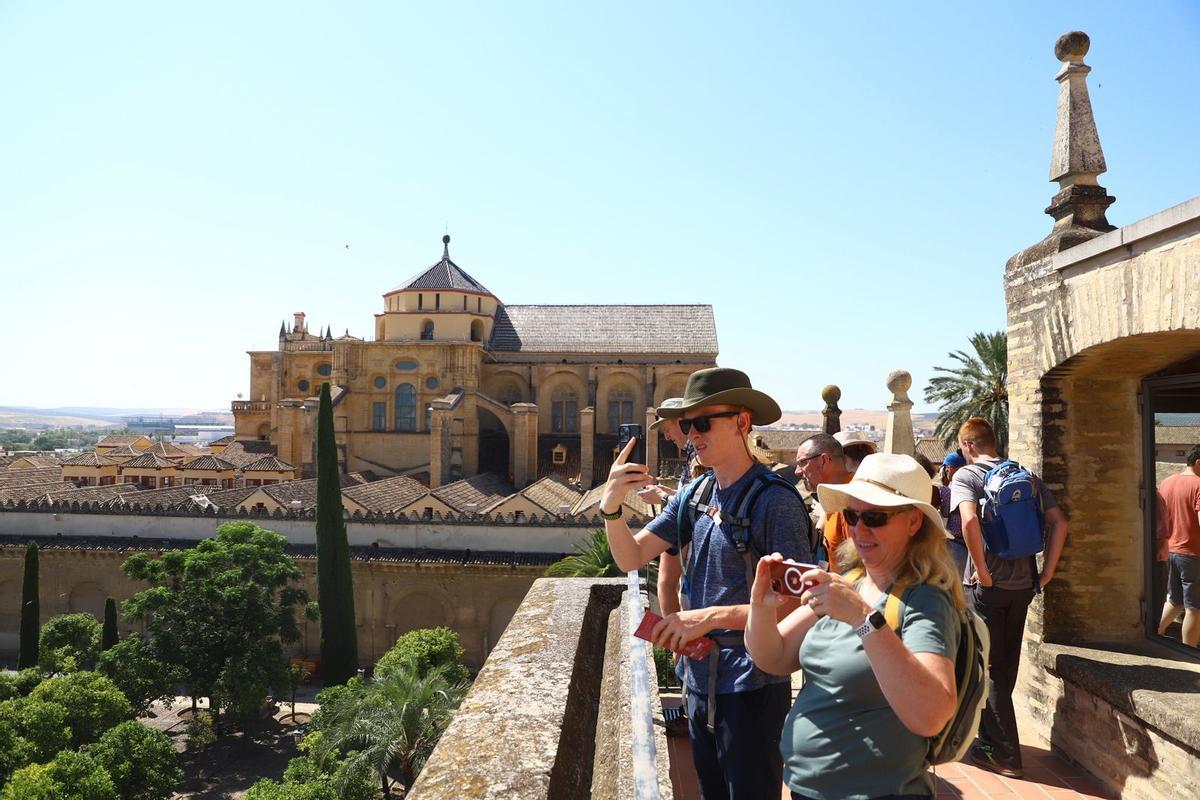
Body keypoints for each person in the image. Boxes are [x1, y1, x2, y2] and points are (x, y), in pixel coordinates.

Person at [601, 367, 811, 800]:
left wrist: (707, 618)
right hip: (698, 680)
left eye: (702, 422)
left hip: (751, 684)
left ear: (742, 421)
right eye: (686, 424)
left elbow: (796, 604)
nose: (690, 433)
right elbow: (631, 556)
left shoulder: (775, 501)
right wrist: (611, 510)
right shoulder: (694, 494)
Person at [746, 453, 964, 800]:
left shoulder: (925, 599)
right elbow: (773, 657)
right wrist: (760, 605)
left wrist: (863, 619)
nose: (859, 529)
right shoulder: (850, 582)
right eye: (852, 515)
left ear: (913, 522)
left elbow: (931, 715)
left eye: (875, 517)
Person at [952, 417, 1069, 779]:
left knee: (987, 669)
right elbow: (1060, 523)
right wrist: (1046, 573)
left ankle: (1005, 755)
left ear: (969, 445)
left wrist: (983, 573)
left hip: (986, 587)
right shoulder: (1028, 476)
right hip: (1023, 587)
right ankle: (991, 742)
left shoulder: (966, 476)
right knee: (1004, 668)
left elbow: (969, 522)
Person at [1156, 444, 1200, 647]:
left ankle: (1156, 634)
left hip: (1170, 550)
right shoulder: (1199, 485)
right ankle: (1190, 654)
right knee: (1194, 608)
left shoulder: (1167, 482)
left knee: (1175, 600)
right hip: (1192, 553)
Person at [794, 433, 853, 571]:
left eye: (802, 462)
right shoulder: (833, 499)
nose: (797, 471)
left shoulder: (852, 501)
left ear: (824, 460)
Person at [939, 451, 968, 578]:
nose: (947, 471)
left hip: (955, 543)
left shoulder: (947, 491)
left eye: (947, 468)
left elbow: (945, 513)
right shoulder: (970, 486)